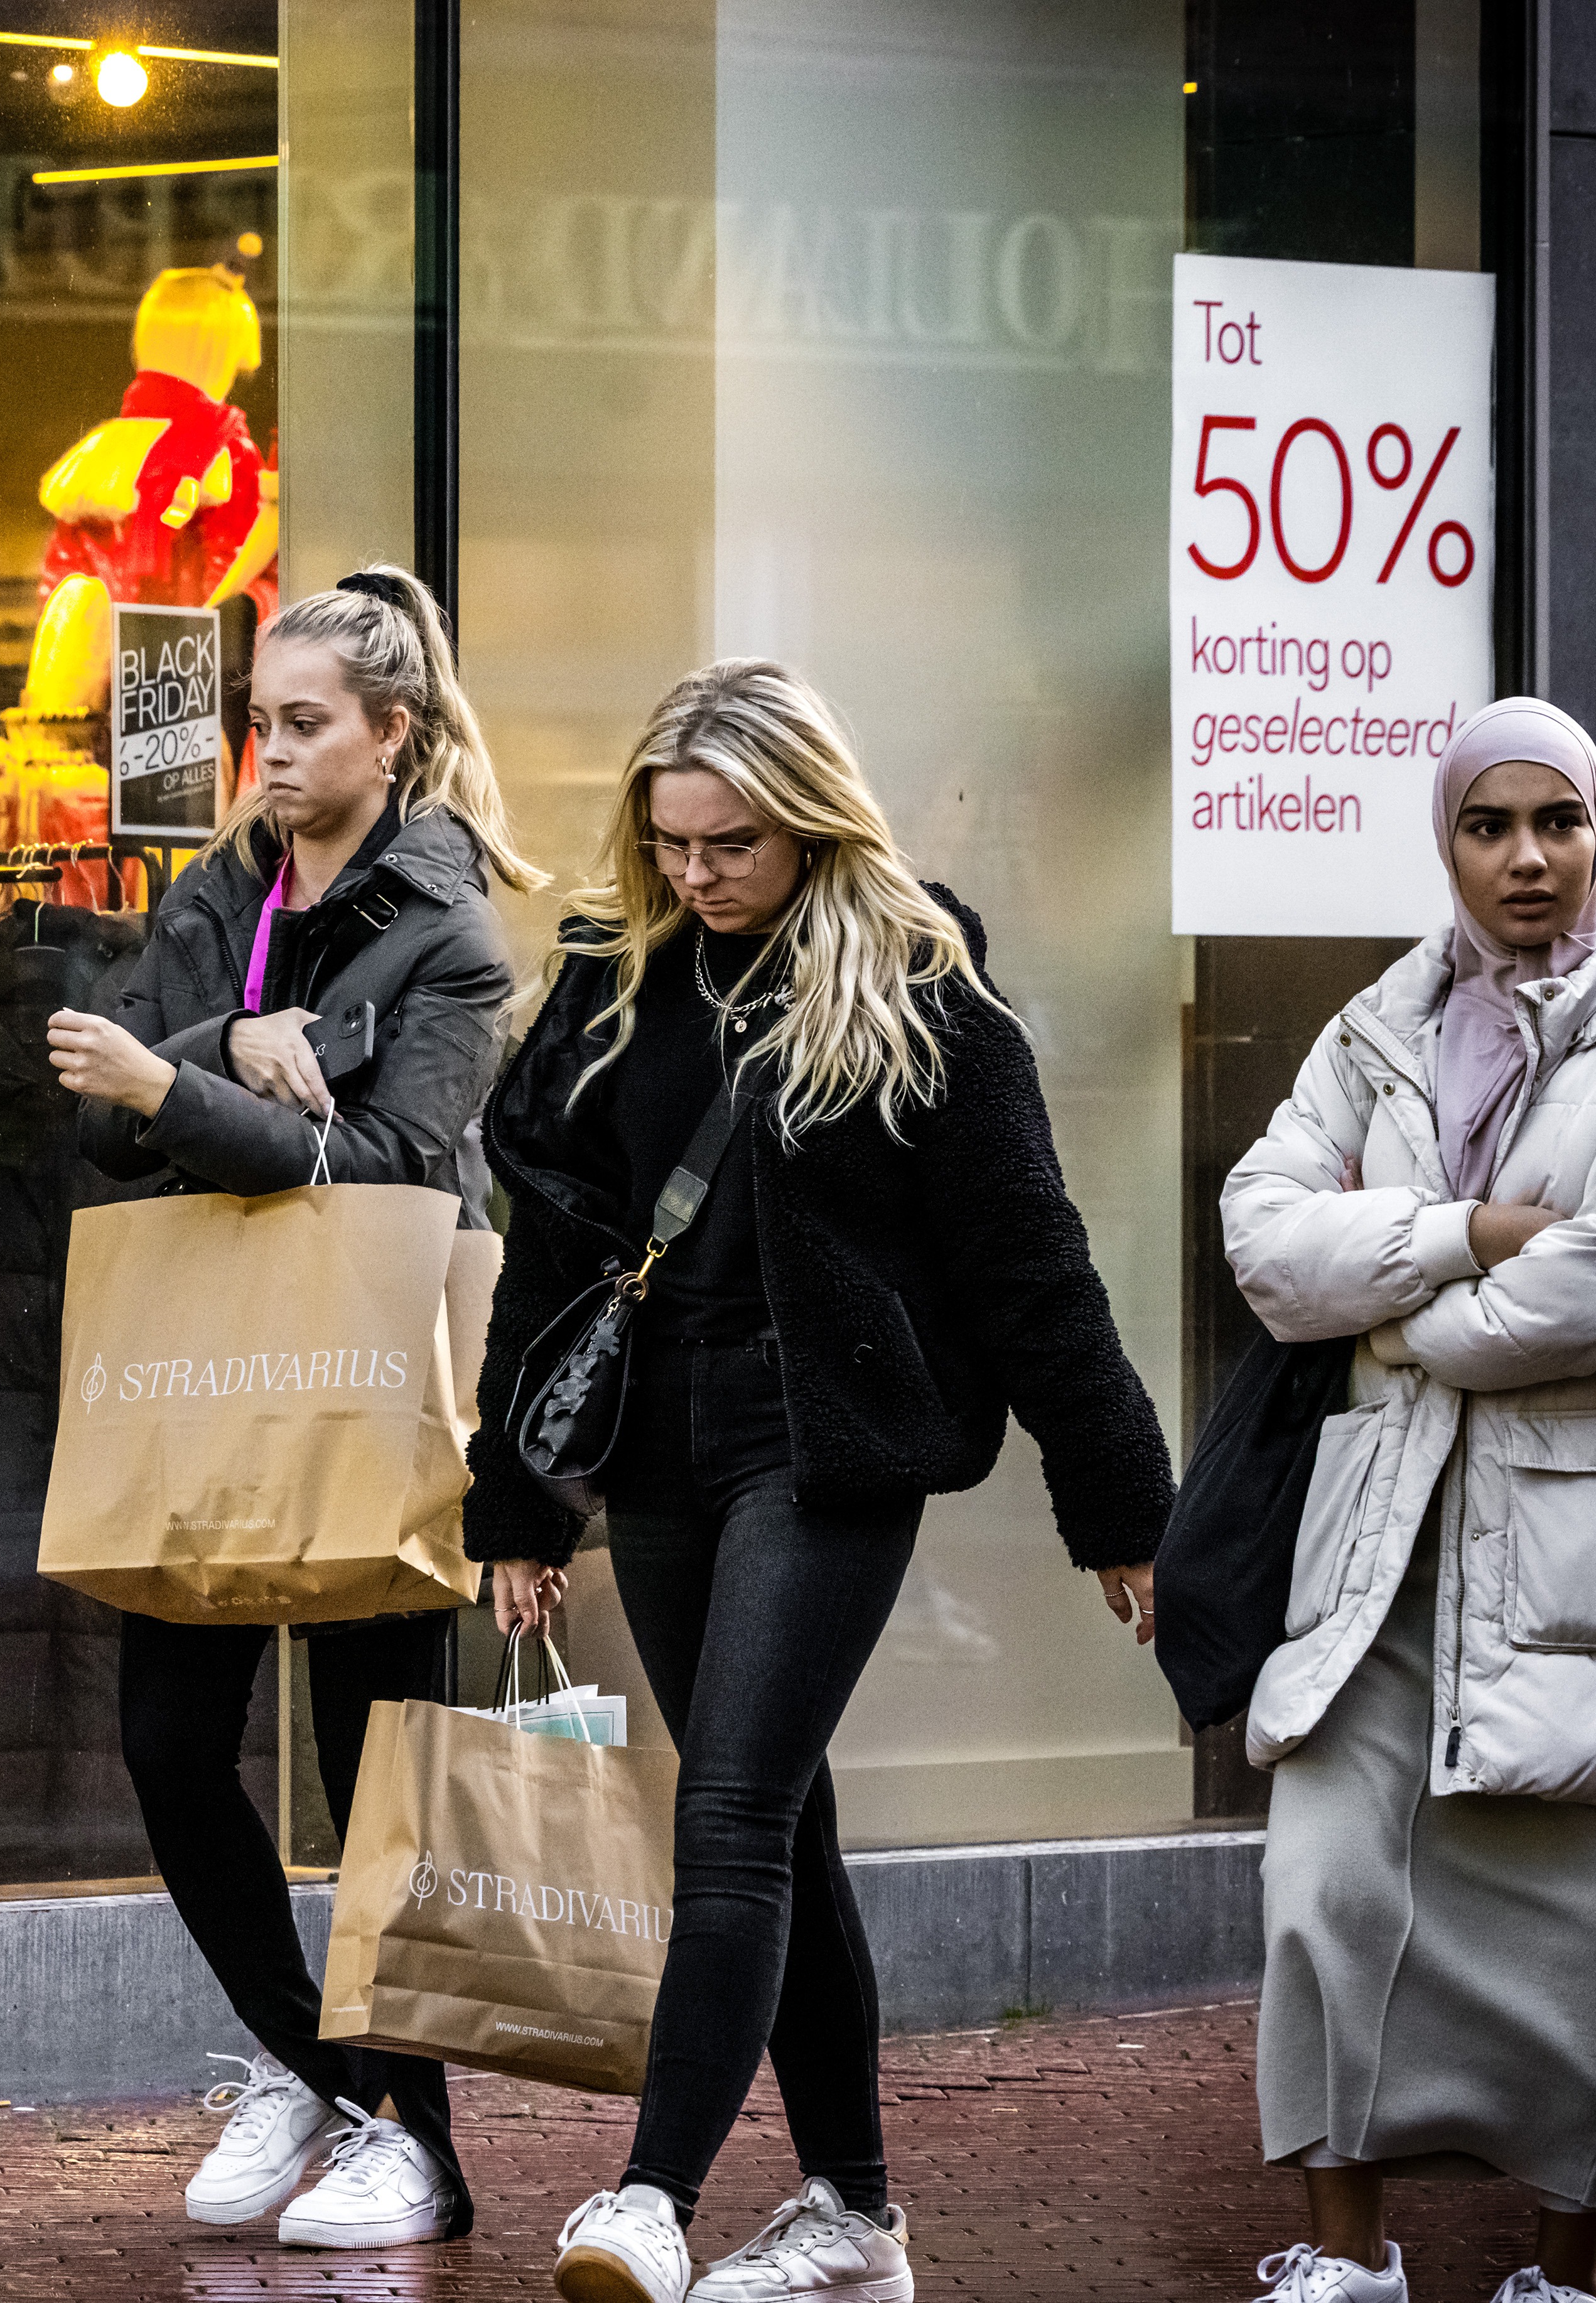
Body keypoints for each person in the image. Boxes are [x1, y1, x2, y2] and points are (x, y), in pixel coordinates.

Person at [478, 659, 1170, 2303]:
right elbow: (543, 1264)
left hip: (822, 1451)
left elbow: (1030, 1266)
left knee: (723, 1811)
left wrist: (1119, 1500)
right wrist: (511, 1501)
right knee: (784, 1825)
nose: (697, 876)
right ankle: (853, 2215)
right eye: (671, 845)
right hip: (653, 1452)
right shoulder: (611, 979)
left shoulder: (919, 983)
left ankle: (647, 2193)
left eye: (729, 844)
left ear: (803, 819)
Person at [43, 564, 536, 2250]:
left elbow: (397, 1159)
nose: (266, 747)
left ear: (391, 737)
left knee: (377, 1759)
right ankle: (313, 2060)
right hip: (209, 1355)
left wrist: (173, 1079)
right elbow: (98, 1113)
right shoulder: (217, 886)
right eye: (257, 718)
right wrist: (224, 1043)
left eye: (304, 722)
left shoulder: (445, 926)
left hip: (365, 1361)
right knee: (171, 1747)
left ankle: (421, 2140)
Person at [1222, 698, 1596, 2303]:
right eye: (1488, 825)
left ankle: (1560, 2265)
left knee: (1575, 1924)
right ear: (1446, 843)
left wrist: (1378, 1298)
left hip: (1571, 1555)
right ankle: (1343, 2257)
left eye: (1557, 822)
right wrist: (1467, 1232)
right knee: (1319, 1890)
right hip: (1374, 1551)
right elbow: (1263, 1235)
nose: (1524, 858)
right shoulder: (1379, 1026)